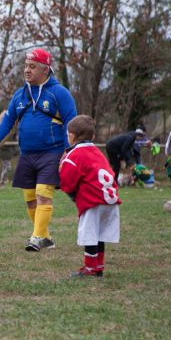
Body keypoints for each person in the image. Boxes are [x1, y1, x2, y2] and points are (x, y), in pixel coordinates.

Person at [0, 48, 77, 252]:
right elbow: (7, 121)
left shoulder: (59, 93)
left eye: (32, 66)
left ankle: (36, 237)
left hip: (52, 153)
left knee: (43, 194)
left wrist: (68, 150)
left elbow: (71, 123)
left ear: (45, 70)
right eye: (26, 66)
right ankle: (45, 237)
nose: (27, 70)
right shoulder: (20, 95)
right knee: (29, 199)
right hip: (27, 154)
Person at [59, 115, 121, 278]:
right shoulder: (98, 153)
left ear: (71, 135)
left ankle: (90, 268)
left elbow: (67, 180)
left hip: (93, 200)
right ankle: (98, 267)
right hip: (110, 199)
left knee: (90, 234)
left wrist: (71, 193)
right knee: (100, 234)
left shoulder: (75, 154)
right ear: (92, 136)